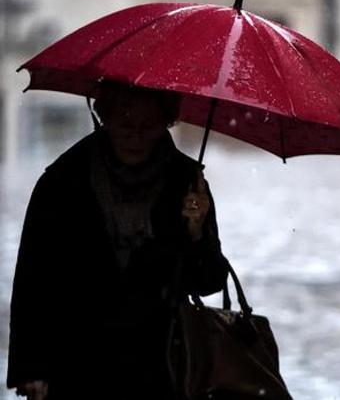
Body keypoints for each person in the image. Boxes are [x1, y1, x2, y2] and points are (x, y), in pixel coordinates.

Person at [6, 81, 229, 399]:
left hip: (161, 367)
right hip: (77, 364)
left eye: (148, 125)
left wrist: (196, 233)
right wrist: (31, 369)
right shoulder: (63, 180)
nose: (136, 135)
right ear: (104, 116)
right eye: (125, 123)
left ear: (166, 122)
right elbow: (33, 278)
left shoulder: (188, 184)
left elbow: (208, 281)